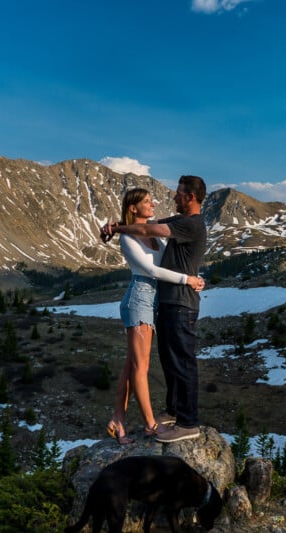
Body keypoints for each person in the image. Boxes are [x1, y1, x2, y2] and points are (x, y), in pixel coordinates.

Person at [101, 175, 207, 443]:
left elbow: (152, 235)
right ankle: (149, 417)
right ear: (134, 208)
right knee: (144, 364)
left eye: (178, 193)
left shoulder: (188, 223)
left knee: (168, 363)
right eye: (147, 201)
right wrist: (117, 227)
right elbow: (150, 235)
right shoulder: (161, 226)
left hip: (171, 301)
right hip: (148, 300)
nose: (171, 197)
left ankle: (182, 421)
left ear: (190, 197)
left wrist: (190, 278)